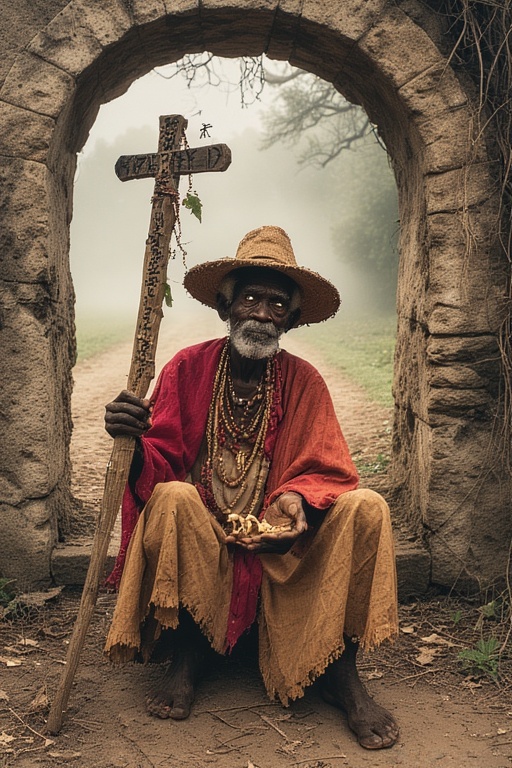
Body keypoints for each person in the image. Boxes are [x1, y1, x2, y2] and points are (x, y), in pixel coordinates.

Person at [104, 225, 399, 750]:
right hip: (204, 543)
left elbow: (330, 472)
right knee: (174, 496)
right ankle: (189, 656)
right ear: (227, 308)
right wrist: (131, 441)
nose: (263, 313)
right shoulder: (187, 367)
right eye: (251, 298)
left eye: (276, 304)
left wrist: (296, 505)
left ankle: (340, 674)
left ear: (292, 317)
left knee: (368, 507)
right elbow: (158, 468)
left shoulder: (305, 380)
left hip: (281, 554)